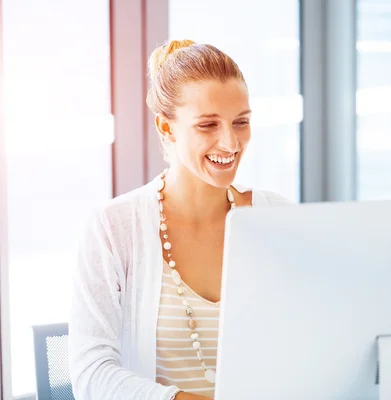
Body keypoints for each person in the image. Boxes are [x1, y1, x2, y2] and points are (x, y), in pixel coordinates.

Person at [68, 40, 293, 400]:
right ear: (166, 128)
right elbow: (91, 375)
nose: (230, 143)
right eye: (207, 125)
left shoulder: (279, 218)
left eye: (241, 122)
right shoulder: (113, 228)